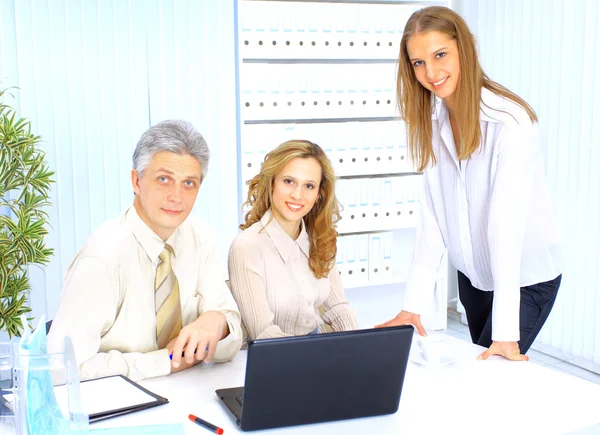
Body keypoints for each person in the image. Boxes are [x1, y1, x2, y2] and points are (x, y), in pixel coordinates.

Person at [376, 6, 562, 361]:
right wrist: (413, 306)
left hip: (524, 278)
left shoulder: (510, 123)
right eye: (418, 63)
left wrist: (506, 332)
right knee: (481, 379)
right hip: (474, 277)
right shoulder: (432, 121)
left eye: (440, 54)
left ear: (465, 48)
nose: (431, 72)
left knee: (496, 373)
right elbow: (433, 220)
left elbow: (505, 230)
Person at [48, 120, 242, 381]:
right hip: (121, 405)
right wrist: (164, 362)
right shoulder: (102, 258)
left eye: (189, 183)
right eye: (164, 179)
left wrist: (216, 322)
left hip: (194, 395)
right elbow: (60, 368)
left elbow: (232, 331)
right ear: (136, 181)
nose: (177, 196)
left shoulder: (200, 235)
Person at [228, 140, 358, 343]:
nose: (298, 195)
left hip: (317, 353)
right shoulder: (247, 246)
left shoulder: (320, 238)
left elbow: (337, 307)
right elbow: (263, 333)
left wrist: (355, 346)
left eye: (309, 186)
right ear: (272, 183)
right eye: (289, 181)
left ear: (319, 194)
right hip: (275, 360)